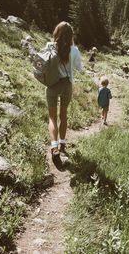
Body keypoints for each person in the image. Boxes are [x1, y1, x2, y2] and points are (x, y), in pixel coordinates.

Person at [46, 21, 82, 161]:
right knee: (63, 115)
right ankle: (62, 144)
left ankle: (54, 147)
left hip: (53, 84)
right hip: (67, 85)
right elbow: (79, 68)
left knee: (52, 117)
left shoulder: (50, 46)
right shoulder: (75, 50)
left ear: (56, 32)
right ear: (71, 35)